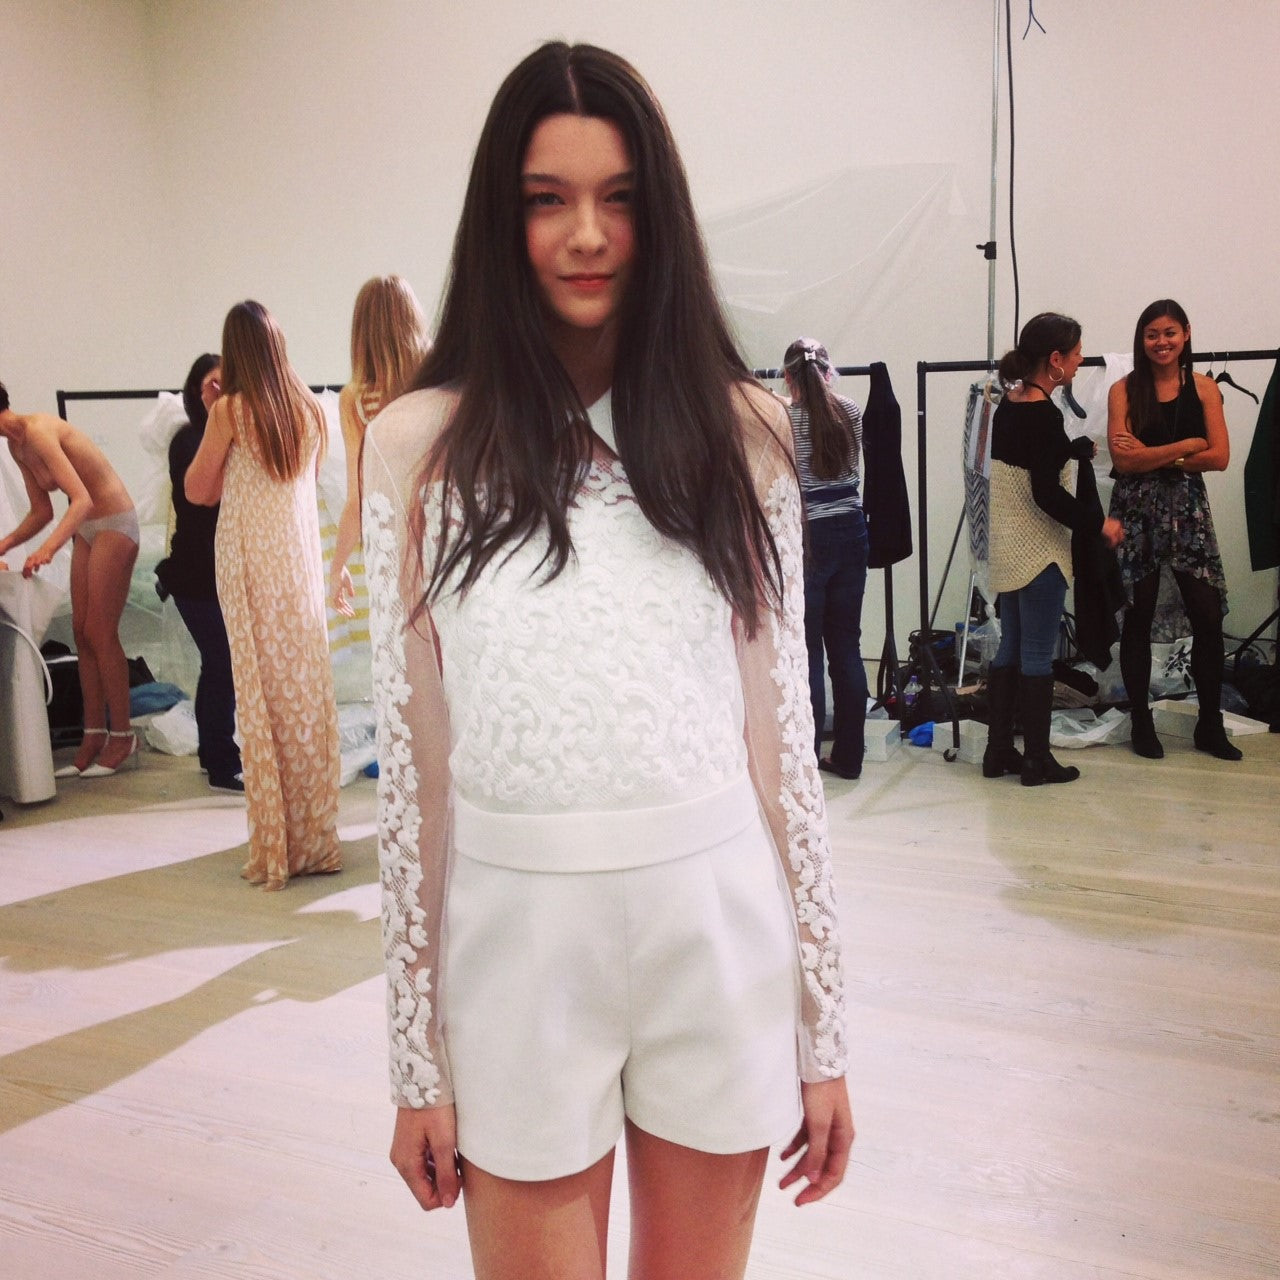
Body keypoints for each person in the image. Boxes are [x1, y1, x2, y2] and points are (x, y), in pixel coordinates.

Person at [361, 42, 852, 1280]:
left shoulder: (742, 429)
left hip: (714, 932)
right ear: (501, 216)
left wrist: (822, 1027)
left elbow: (780, 745)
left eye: (618, 197)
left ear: (658, 215)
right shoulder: (416, 447)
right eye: (547, 198)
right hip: (516, 949)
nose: (586, 234)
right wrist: (416, 1057)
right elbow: (415, 780)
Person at [186, 302, 341, 889]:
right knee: (302, 696)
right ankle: (314, 839)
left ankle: (277, 841)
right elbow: (304, 484)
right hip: (298, 563)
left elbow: (198, 490)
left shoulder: (230, 409)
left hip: (250, 562)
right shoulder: (311, 408)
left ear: (235, 351)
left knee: (261, 694)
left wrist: (210, 416)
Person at [984, 314, 1125, 787]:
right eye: (1078, 353)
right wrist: (1099, 523)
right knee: (1037, 656)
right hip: (1039, 549)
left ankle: (998, 751)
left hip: (1008, 548)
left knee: (1010, 646)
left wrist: (1072, 450)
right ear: (1056, 360)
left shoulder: (1009, 403)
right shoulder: (1044, 414)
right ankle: (1037, 760)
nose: (1082, 361)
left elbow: (1030, 462)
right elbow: (1045, 492)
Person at [1107, 299, 1240, 761]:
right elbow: (1123, 461)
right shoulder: (1123, 390)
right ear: (1141, 340)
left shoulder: (1204, 388)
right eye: (1152, 334)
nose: (1161, 342)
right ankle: (1141, 723)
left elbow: (1219, 456)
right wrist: (1186, 446)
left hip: (1188, 512)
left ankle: (1210, 724)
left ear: (1186, 333)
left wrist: (1152, 454)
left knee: (1208, 616)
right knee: (1137, 616)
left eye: (1169, 333)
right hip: (1137, 511)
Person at [0, 381, 141, 777]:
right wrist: (5, 543)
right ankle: (93, 735)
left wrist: (47, 550)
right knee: (81, 632)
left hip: (114, 521)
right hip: (88, 529)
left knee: (100, 630)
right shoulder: (16, 446)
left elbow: (82, 499)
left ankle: (122, 736)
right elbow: (41, 511)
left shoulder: (38, 431)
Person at [155, 354, 243, 792]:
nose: (220, 392)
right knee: (224, 662)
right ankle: (223, 761)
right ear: (196, 389)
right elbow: (203, 497)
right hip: (193, 574)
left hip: (218, 572)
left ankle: (214, 754)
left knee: (218, 662)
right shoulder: (189, 440)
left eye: (228, 384)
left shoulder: (231, 438)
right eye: (212, 384)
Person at [782, 338, 869, 780]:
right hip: (852, 529)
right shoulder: (850, 410)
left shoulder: (782, 417)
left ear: (787, 377)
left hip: (809, 537)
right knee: (847, 647)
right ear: (829, 372)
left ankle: (810, 756)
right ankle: (850, 757)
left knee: (809, 651)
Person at [330, 275, 430, 617]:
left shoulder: (357, 399)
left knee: (401, 636)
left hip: (390, 537)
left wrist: (337, 567)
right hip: (441, 525)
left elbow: (357, 498)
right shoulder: (438, 376)